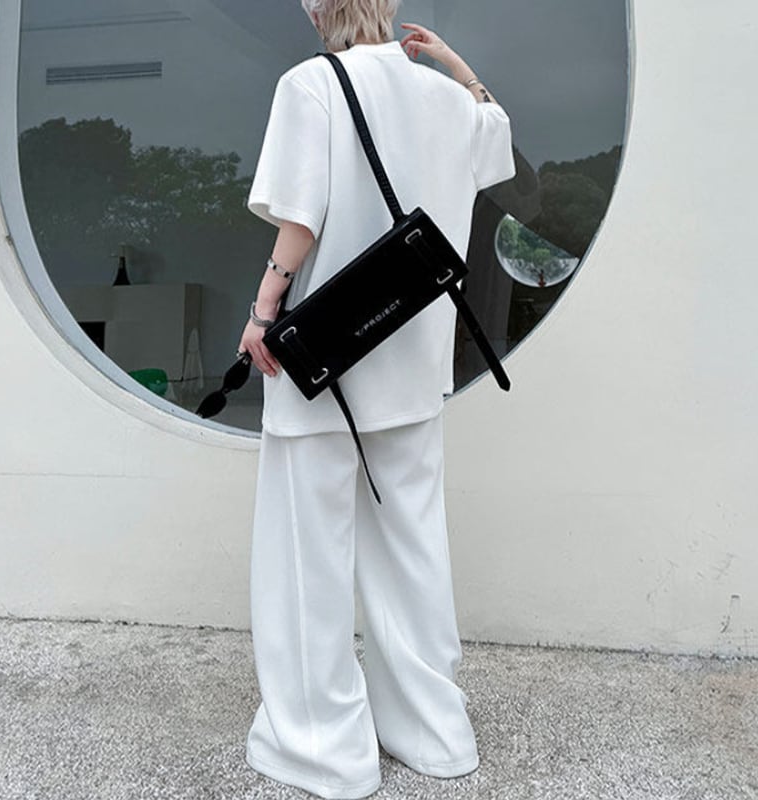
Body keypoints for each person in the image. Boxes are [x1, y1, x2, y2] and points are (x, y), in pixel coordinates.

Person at [238, 2, 515, 798]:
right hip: (414, 361)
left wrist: (263, 312)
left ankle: (326, 749)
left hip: (325, 363)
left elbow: (300, 219)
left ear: (316, 7)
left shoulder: (310, 85)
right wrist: (456, 66)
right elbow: (495, 136)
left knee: (307, 555)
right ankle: (434, 734)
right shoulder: (445, 99)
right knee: (413, 545)